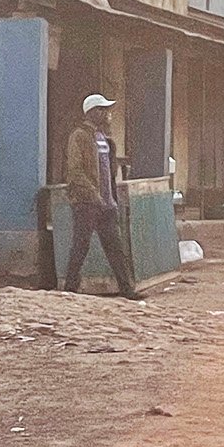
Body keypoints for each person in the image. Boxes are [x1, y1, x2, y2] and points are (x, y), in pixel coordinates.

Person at [65, 94, 139, 299]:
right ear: (92, 112)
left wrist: (109, 199)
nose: (108, 114)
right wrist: (93, 194)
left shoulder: (105, 139)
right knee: (81, 245)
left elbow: (109, 171)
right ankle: (69, 287)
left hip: (106, 204)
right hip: (87, 202)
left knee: (115, 248)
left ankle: (127, 290)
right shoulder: (79, 136)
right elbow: (75, 171)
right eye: (103, 110)